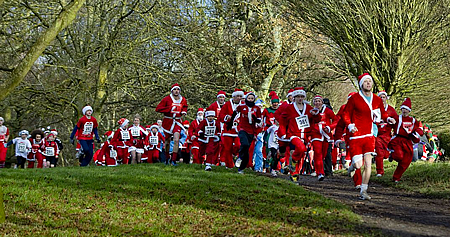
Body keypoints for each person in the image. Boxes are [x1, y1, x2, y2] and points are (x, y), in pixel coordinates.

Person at [343, 73, 395, 200]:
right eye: (365, 82)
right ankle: (352, 167)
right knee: (358, 165)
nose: (368, 83)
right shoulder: (354, 98)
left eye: (370, 82)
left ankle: (364, 190)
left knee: (368, 164)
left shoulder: (377, 99)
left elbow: (383, 114)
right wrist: (350, 125)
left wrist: (388, 119)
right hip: (356, 136)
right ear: (361, 84)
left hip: (370, 135)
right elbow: (345, 114)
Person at [279, 87, 319, 181]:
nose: (300, 98)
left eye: (302, 97)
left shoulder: (308, 108)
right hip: (293, 134)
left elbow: (316, 120)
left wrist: (315, 114)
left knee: (300, 154)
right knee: (299, 149)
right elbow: (282, 119)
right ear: (294, 97)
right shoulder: (289, 108)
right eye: (298, 97)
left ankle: (294, 175)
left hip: (304, 135)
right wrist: (283, 132)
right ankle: (293, 167)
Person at [388, 98, 423, 182]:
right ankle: (392, 155)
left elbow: (418, 129)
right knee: (398, 156)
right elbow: (388, 123)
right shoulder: (397, 118)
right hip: (398, 140)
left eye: (407, 109)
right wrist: (389, 120)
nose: (405, 111)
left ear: (409, 111)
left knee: (406, 161)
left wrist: (418, 133)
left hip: (407, 141)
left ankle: (396, 178)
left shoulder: (413, 120)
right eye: (403, 108)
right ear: (401, 109)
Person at [227, 91, 262, 174]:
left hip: (251, 131)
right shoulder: (242, 107)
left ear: (254, 99)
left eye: (252, 98)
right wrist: (231, 122)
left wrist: (255, 119)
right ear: (246, 99)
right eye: (249, 98)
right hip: (242, 129)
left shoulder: (257, 108)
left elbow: (260, 121)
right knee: (244, 144)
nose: (250, 100)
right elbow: (234, 113)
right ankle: (240, 158)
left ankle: (241, 168)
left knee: (247, 150)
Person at [155, 83, 188, 165]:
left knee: (176, 140)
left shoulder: (183, 99)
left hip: (177, 121)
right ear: (172, 90)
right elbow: (158, 109)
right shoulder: (167, 99)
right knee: (167, 141)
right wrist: (169, 109)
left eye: (178, 89)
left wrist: (184, 111)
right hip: (168, 121)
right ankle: (167, 158)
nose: (176, 91)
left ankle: (173, 160)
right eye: (175, 89)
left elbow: (185, 106)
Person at [310, 95, 338, 180]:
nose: (317, 103)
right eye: (316, 101)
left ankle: (319, 168)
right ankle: (320, 173)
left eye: (319, 101)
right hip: (316, 134)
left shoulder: (327, 111)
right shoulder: (311, 111)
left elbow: (336, 120)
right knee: (317, 152)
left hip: (326, 135)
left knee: (324, 154)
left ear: (322, 102)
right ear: (313, 103)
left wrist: (330, 127)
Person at [219, 88, 244, 168]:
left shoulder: (243, 105)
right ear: (233, 97)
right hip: (228, 129)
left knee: (238, 145)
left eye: (241, 96)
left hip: (238, 129)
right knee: (227, 148)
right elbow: (221, 116)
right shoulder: (227, 105)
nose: (239, 98)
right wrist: (227, 117)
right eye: (237, 96)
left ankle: (237, 156)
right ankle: (229, 165)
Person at [374, 91, 397, 177]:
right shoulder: (375, 109)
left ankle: (389, 157)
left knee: (386, 154)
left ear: (386, 98)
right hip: (378, 135)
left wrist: (394, 128)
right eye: (380, 97)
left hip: (388, 135)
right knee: (379, 153)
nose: (382, 99)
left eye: (384, 97)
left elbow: (396, 121)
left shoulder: (391, 110)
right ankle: (379, 172)